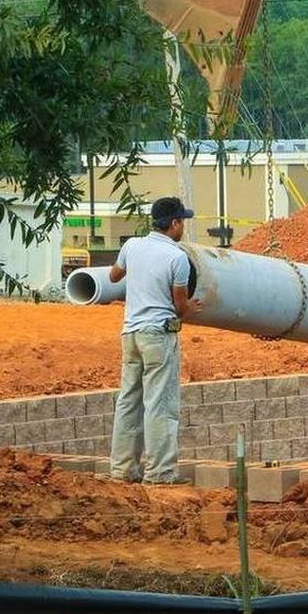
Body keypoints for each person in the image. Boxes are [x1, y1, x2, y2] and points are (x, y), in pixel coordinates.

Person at [108, 196, 203, 485]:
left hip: (131, 334)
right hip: (159, 336)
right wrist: (193, 308)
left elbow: (114, 277)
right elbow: (179, 306)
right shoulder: (177, 258)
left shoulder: (132, 246)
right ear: (173, 224)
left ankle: (123, 470)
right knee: (160, 404)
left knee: (128, 402)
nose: (183, 227)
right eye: (182, 221)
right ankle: (160, 473)